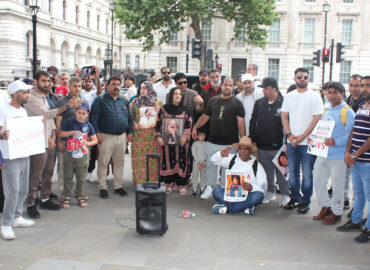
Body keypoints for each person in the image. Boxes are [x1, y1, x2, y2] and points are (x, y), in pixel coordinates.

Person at [24, 71, 81, 219]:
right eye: (44, 81)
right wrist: (67, 106)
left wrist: (53, 138)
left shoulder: (46, 97)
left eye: (49, 81)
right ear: (36, 82)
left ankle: (45, 198)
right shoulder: (30, 98)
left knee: (48, 172)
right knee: (35, 175)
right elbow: (47, 114)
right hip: (37, 142)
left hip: (48, 140)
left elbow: (51, 121)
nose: (48, 84)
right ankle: (31, 203)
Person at [192, 77, 246, 199]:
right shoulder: (212, 101)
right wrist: (195, 127)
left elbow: (241, 123)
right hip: (212, 141)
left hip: (230, 143)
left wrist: (243, 141)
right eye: (226, 84)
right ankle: (209, 187)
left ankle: (222, 188)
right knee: (211, 165)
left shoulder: (237, 103)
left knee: (227, 168)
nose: (228, 87)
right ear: (221, 86)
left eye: (230, 85)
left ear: (233, 87)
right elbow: (205, 117)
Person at [312, 81, 355, 225]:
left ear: (342, 94)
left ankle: (337, 212)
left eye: (334, 92)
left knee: (338, 186)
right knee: (318, 181)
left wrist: (336, 142)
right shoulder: (326, 109)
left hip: (338, 155)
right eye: (329, 93)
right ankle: (326, 206)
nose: (331, 95)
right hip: (322, 153)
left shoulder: (347, 111)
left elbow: (351, 134)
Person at [281, 67, 323, 214]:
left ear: (308, 79)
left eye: (305, 77)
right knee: (292, 172)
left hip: (307, 143)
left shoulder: (315, 96)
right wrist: (289, 134)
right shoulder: (289, 96)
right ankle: (295, 197)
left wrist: (303, 136)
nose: (302, 79)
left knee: (307, 173)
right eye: (299, 76)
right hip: (292, 142)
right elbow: (284, 116)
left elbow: (317, 118)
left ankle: (306, 200)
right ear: (294, 78)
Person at [0, 80, 35, 240]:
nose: (27, 95)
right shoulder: (3, 110)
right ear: (15, 94)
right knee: (12, 190)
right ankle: (6, 223)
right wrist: (3, 135)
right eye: (25, 92)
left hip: (24, 153)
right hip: (10, 155)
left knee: (23, 188)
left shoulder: (23, 111)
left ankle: (17, 216)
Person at [337, 75, 370, 243]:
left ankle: (368, 228)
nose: (364, 89)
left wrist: (356, 154)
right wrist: (348, 152)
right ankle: (356, 220)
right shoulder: (362, 106)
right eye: (363, 85)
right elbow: (354, 131)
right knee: (358, 193)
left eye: (368, 86)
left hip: (367, 161)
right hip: (355, 159)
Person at [90, 76, 133, 199]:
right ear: (107, 86)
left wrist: (130, 132)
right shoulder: (100, 100)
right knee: (103, 163)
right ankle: (102, 187)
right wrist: (97, 134)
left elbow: (129, 119)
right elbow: (93, 118)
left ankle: (118, 186)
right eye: (113, 84)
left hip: (122, 137)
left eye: (118, 84)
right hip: (105, 136)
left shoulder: (124, 100)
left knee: (119, 163)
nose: (116, 86)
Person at [249, 77, 290, 207]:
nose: (263, 91)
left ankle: (285, 195)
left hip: (280, 146)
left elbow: (290, 123)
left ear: (274, 89)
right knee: (267, 171)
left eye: (265, 89)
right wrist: (253, 139)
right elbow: (252, 121)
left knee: (281, 171)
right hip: (262, 145)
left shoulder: (284, 103)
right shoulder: (259, 103)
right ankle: (270, 192)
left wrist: (287, 142)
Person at [211, 136, 266, 215]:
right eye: (240, 148)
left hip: (248, 195)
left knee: (259, 196)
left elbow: (264, 187)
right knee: (216, 191)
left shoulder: (256, 166)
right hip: (231, 194)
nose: (242, 151)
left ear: (250, 151)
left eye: (245, 149)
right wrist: (220, 154)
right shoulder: (232, 159)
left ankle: (228, 208)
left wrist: (252, 187)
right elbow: (213, 160)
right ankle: (244, 207)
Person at [59, 102, 98, 208]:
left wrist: (87, 143)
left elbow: (95, 140)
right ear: (75, 112)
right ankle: (66, 195)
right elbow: (61, 134)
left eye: (84, 113)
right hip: (69, 154)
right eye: (79, 113)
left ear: (87, 114)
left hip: (82, 155)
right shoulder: (69, 122)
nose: (81, 116)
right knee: (68, 176)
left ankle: (79, 194)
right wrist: (72, 132)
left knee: (81, 177)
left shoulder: (88, 125)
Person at [156, 87, 192, 195]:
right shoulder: (163, 109)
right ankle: (169, 184)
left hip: (181, 142)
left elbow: (188, 124)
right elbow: (158, 124)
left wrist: (185, 136)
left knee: (182, 162)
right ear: (171, 96)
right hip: (167, 143)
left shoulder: (185, 110)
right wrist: (158, 136)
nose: (178, 96)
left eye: (180, 94)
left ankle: (181, 185)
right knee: (167, 161)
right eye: (175, 94)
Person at [130, 81, 162, 186]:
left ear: (150, 89)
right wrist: (134, 124)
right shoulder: (135, 102)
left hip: (152, 136)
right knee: (139, 158)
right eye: (141, 88)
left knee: (152, 158)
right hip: (138, 135)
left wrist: (158, 113)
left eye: (145, 88)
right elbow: (130, 117)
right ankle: (140, 181)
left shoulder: (157, 102)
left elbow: (162, 119)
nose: (142, 90)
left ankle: (152, 181)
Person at [56, 77, 84, 192]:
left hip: (80, 143)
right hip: (66, 141)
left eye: (79, 86)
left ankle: (79, 193)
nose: (77, 89)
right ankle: (64, 192)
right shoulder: (62, 102)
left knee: (79, 169)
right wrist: (59, 142)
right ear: (69, 87)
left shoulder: (83, 102)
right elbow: (57, 123)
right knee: (64, 169)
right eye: (75, 86)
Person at [191, 129, 206, 197]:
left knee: (203, 176)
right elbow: (194, 153)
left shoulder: (206, 144)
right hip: (196, 163)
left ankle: (202, 189)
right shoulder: (195, 144)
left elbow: (207, 154)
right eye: (200, 135)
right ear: (197, 136)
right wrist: (197, 163)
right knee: (195, 176)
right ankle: (194, 190)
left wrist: (204, 163)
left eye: (203, 136)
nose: (202, 137)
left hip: (204, 163)